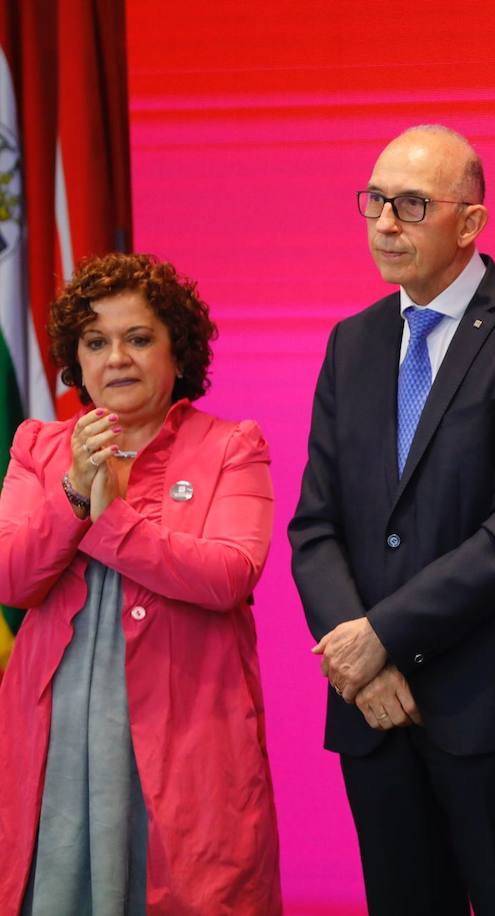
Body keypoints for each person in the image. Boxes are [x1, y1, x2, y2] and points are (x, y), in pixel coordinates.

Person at [289, 125, 495, 914]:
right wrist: (360, 660)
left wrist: (381, 636)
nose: (385, 222)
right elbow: (314, 526)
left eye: (411, 204)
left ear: (471, 221)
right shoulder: (352, 342)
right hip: (370, 713)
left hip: (485, 712)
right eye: (375, 201)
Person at [0, 253, 281, 913]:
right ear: (75, 360)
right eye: (96, 342)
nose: (116, 358)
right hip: (56, 742)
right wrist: (73, 491)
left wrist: (112, 522)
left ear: (177, 353)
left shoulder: (231, 446)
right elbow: (11, 577)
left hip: (188, 738)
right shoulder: (37, 446)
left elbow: (229, 573)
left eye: (138, 338)